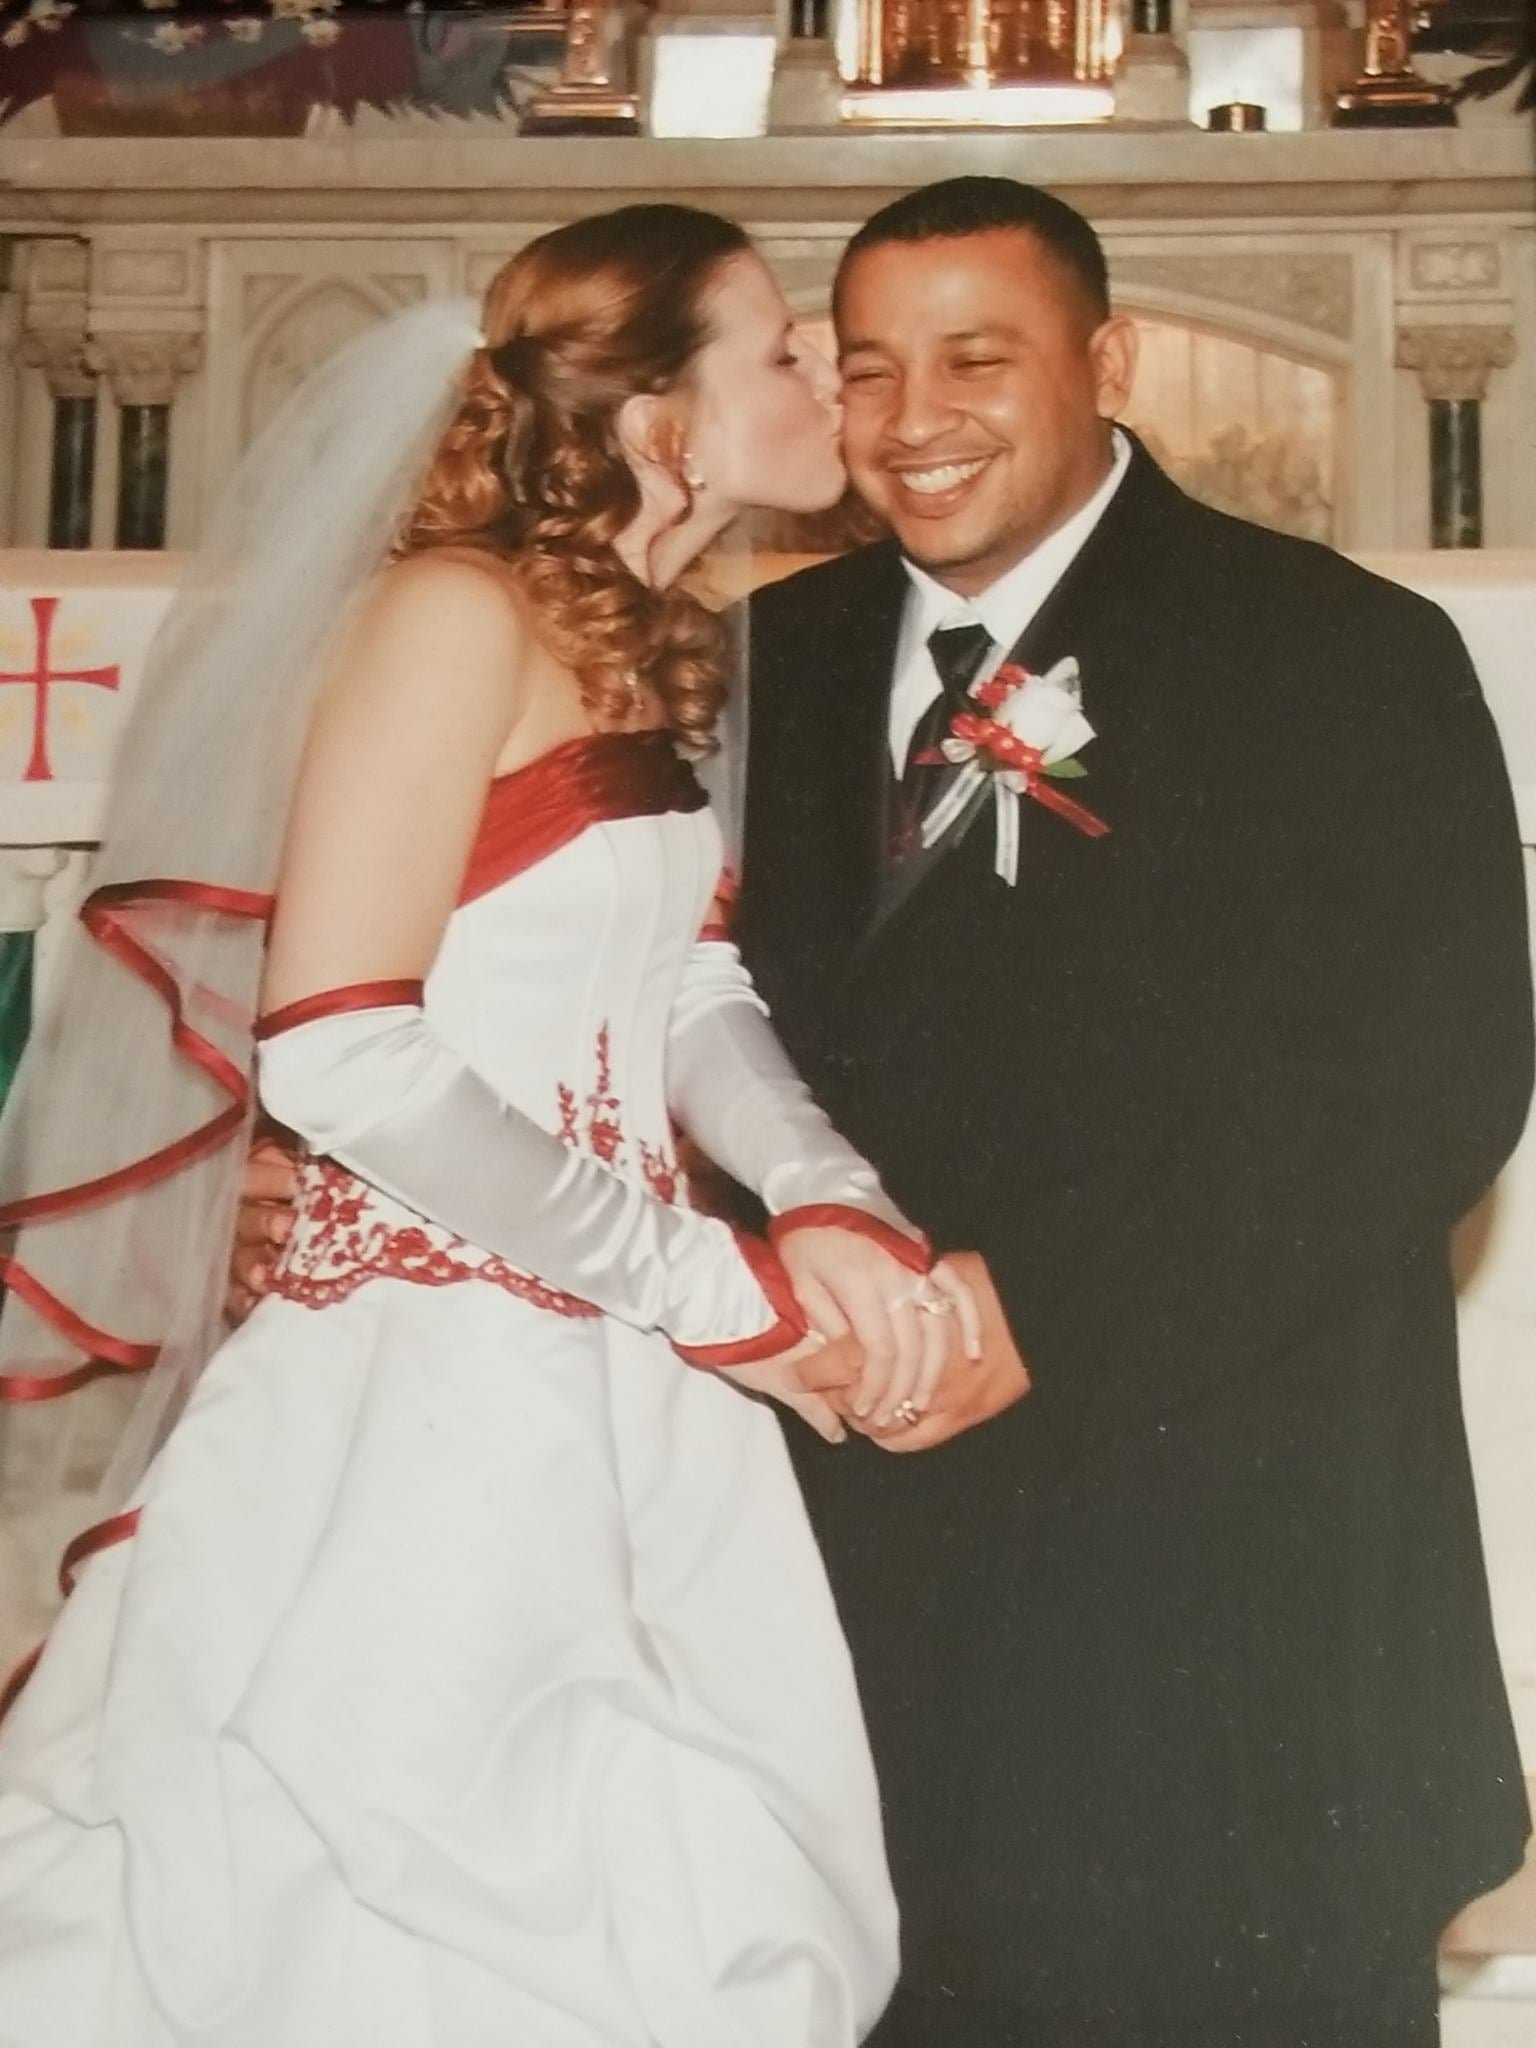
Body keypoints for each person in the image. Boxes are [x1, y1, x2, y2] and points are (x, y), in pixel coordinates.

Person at [0, 203, 985, 2048]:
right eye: (780, 351)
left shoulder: (657, 641)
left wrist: (829, 1207)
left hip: (640, 1385)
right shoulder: (449, 613)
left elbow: (686, 995)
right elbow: (344, 1051)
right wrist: (713, 1287)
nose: (826, 388)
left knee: (691, 1911)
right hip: (431, 1386)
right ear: (658, 415)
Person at [737, 176, 1534, 2047]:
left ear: (1106, 360)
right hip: (861, 1571)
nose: (911, 418)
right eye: (866, 371)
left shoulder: (1339, 649)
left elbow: (1424, 1087)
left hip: (1222, 1583)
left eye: (976, 359)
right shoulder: (759, 668)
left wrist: (1054, 1309)